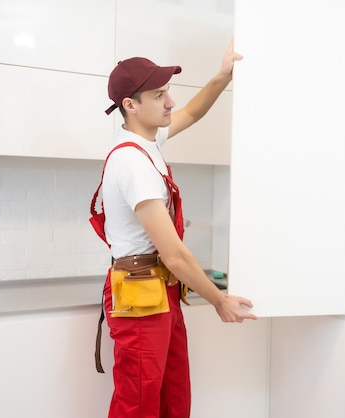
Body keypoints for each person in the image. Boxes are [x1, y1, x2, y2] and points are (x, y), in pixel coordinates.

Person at [99, 42, 257, 418]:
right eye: (159, 94)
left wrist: (221, 77)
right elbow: (173, 253)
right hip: (140, 293)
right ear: (130, 105)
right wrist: (220, 301)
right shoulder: (132, 163)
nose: (169, 101)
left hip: (159, 288)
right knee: (137, 405)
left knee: (172, 398)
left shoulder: (148, 141)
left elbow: (192, 112)